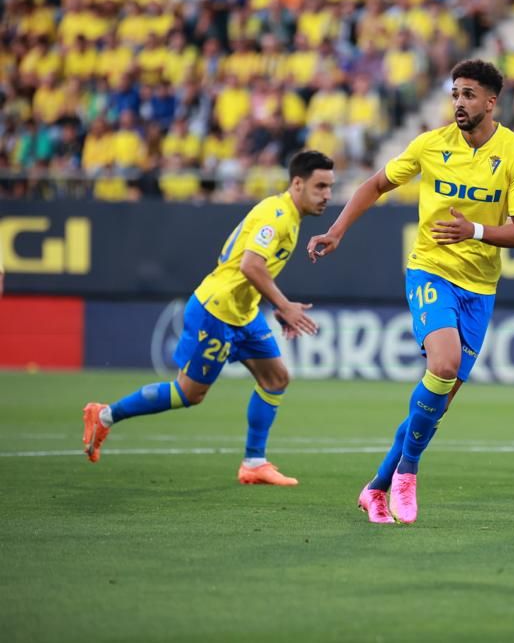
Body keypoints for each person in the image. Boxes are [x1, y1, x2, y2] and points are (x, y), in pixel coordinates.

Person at [306, 60, 514, 525]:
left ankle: (376, 488)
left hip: (480, 286)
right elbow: (375, 184)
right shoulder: (430, 145)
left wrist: (473, 230)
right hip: (429, 271)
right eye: (455, 93)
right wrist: (337, 231)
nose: (459, 102)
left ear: (491, 102)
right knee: (444, 363)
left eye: (469, 94)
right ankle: (408, 473)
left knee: (440, 399)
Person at [82, 150, 334, 485]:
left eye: (330, 187)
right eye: (320, 186)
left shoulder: (288, 215)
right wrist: (285, 305)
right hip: (215, 310)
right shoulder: (277, 215)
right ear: (298, 183)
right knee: (189, 394)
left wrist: (272, 302)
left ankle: (254, 463)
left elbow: (253, 271)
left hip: (242, 312)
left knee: (276, 378)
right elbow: (250, 265)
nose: (327, 195)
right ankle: (104, 415)